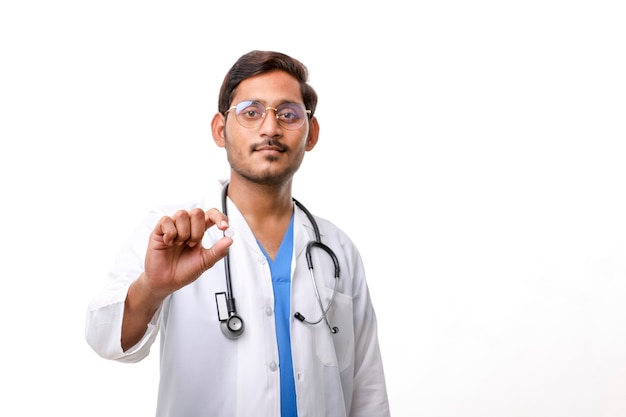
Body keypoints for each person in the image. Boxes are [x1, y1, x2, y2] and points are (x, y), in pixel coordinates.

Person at [85, 50, 390, 417]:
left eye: (289, 114)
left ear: (312, 134)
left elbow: (366, 390)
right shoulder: (170, 233)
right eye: (251, 111)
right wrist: (154, 286)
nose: (270, 128)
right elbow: (106, 339)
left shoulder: (337, 249)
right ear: (219, 129)